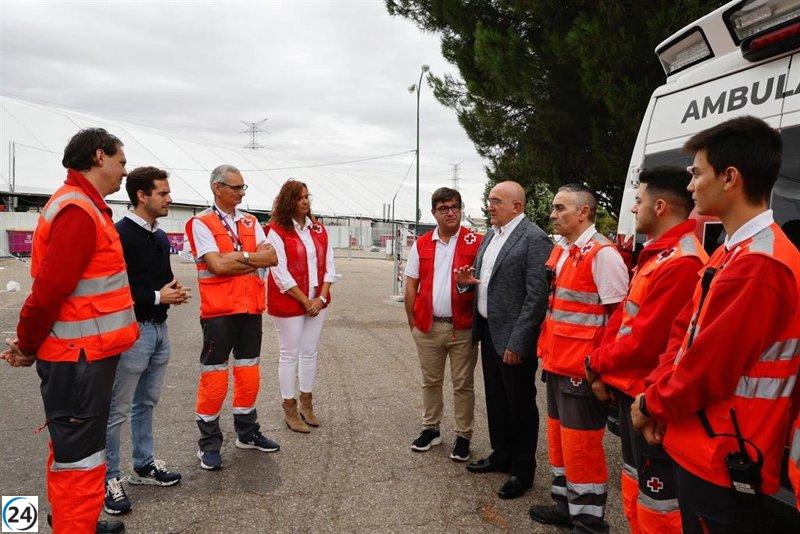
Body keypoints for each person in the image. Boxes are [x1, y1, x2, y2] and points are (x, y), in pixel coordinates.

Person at [632, 116, 800, 533]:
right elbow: (684, 333)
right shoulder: (733, 251)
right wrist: (657, 395)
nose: (690, 186)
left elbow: (710, 367)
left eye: (696, 173)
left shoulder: (760, 263)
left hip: (725, 455)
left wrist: (651, 405)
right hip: (704, 440)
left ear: (729, 178)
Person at [1, 128, 139, 534]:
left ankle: (72, 520)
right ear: (99, 156)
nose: (124, 171)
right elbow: (47, 293)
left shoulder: (82, 205)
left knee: (75, 450)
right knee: (79, 454)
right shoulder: (79, 210)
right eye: (121, 161)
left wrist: (31, 345)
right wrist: (27, 345)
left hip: (82, 354)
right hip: (79, 358)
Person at [584, 167, 707, 533]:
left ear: (660, 206)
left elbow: (644, 343)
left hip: (647, 399)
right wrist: (599, 365)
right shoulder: (657, 256)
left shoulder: (683, 263)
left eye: (638, 201)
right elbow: (623, 320)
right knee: (636, 485)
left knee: (659, 503)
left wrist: (594, 363)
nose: (633, 209)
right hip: (630, 392)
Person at [529, 183, 628, 533]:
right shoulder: (564, 251)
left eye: (560, 208)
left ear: (583, 212)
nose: (552, 215)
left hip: (582, 373)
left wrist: (601, 372)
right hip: (557, 365)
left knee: (582, 447)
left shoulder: (603, 255)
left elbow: (618, 320)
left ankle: (588, 521)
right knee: (559, 441)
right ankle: (566, 505)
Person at [455, 181, 552, 500]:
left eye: (496, 201)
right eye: (488, 200)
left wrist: (519, 342)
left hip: (513, 339)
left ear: (517, 206)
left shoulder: (534, 238)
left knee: (520, 405)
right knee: (496, 399)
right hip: (488, 330)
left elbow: (536, 295)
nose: (489, 206)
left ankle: (522, 470)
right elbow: (489, 282)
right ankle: (502, 454)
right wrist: (468, 284)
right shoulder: (491, 235)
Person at [103, 167, 189, 515]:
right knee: (116, 410)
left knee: (147, 402)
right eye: (163, 193)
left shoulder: (158, 236)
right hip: (132, 331)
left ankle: (143, 465)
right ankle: (109, 479)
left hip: (159, 330)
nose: (169, 199)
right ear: (142, 195)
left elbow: (160, 279)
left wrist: (172, 290)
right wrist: (156, 296)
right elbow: (114, 287)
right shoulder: (120, 234)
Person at [185, 164, 279, 470]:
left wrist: (241, 258)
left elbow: (272, 257)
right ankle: (209, 444)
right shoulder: (201, 222)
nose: (241, 193)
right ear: (217, 188)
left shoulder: (252, 221)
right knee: (214, 379)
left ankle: (247, 432)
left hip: (251, 310)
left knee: (249, 374)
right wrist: (252, 259)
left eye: (243, 188)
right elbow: (217, 266)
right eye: (236, 188)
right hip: (219, 313)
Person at [404, 187, 482, 461]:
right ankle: (431, 429)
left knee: (463, 384)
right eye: (444, 208)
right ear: (434, 212)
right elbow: (411, 283)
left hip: (463, 327)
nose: (450, 212)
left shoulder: (477, 241)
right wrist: (413, 323)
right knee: (431, 381)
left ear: (461, 209)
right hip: (428, 326)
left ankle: (463, 436)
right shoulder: (423, 243)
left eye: (455, 207)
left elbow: (483, 284)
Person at [266, 180, 337, 433]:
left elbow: (330, 266)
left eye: (308, 196)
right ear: (288, 201)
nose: (306, 201)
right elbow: (280, 272)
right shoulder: (276, 230)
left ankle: (307, 404)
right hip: (290, 301)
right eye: (300, 198)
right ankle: (289, 407)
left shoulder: (318, 229)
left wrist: (320, 297)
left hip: (318, 301)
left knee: (310, 352)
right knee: (289, 354)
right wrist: (305, 301)